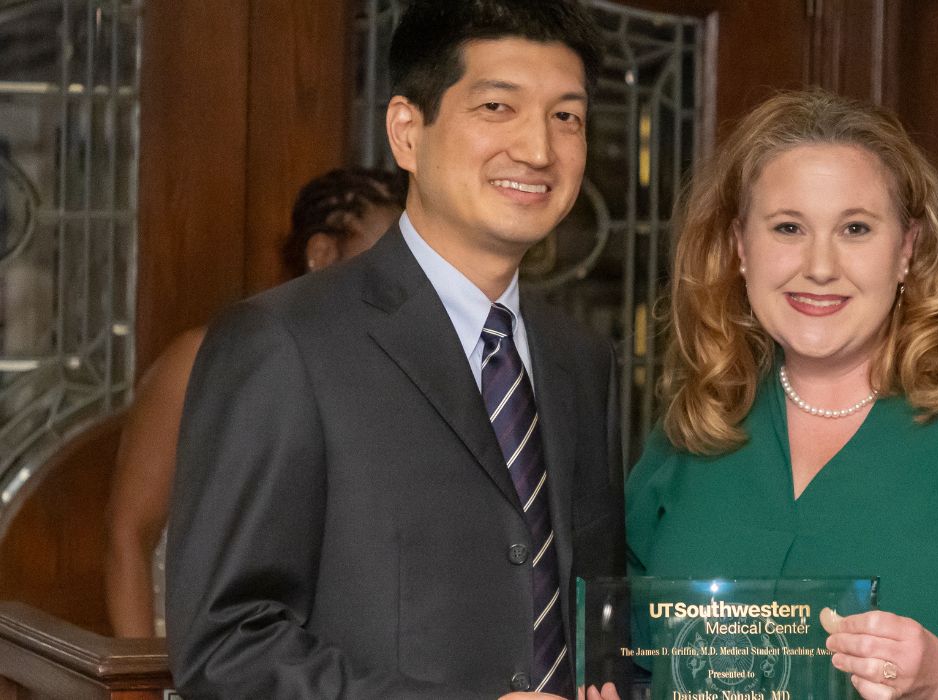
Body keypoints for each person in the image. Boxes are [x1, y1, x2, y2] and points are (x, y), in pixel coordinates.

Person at [165, 1, 625, 698]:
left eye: (567, 116)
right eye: (499, 107)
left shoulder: (581, 360)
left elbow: (593, 610)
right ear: (408, 132)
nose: (539, 149)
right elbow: (226, 645)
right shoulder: (285, 344)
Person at [627, 89, 938, 699]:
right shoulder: (696, 426)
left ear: (907, 248)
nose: (819, 266)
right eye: (788, 228)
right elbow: (634, 651)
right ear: (741, 247)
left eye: (855, 228)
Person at [104, 166, 405, 638]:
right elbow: (129, 536)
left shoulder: (389, 372)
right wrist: (140, 682)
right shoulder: (198, 360)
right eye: (387, 257)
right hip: (194, 655)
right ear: (322, 253)